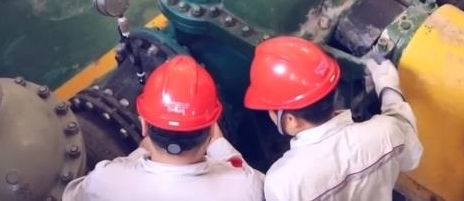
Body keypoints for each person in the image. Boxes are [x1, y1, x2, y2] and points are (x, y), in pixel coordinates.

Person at [244, 36, 423, 201]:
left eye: (271, 110)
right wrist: (388, 86)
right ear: (334, 93)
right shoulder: (386, 132)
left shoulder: (283, 182)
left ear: (291, 120)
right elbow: (412, 157)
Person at [63, 55, 264, 201]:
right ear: (211, 130)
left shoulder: (105, 179)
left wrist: (138, 153)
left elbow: (72, 195)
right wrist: (221, 147)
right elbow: (247, 178)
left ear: (144, 125)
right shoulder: (245, 186)